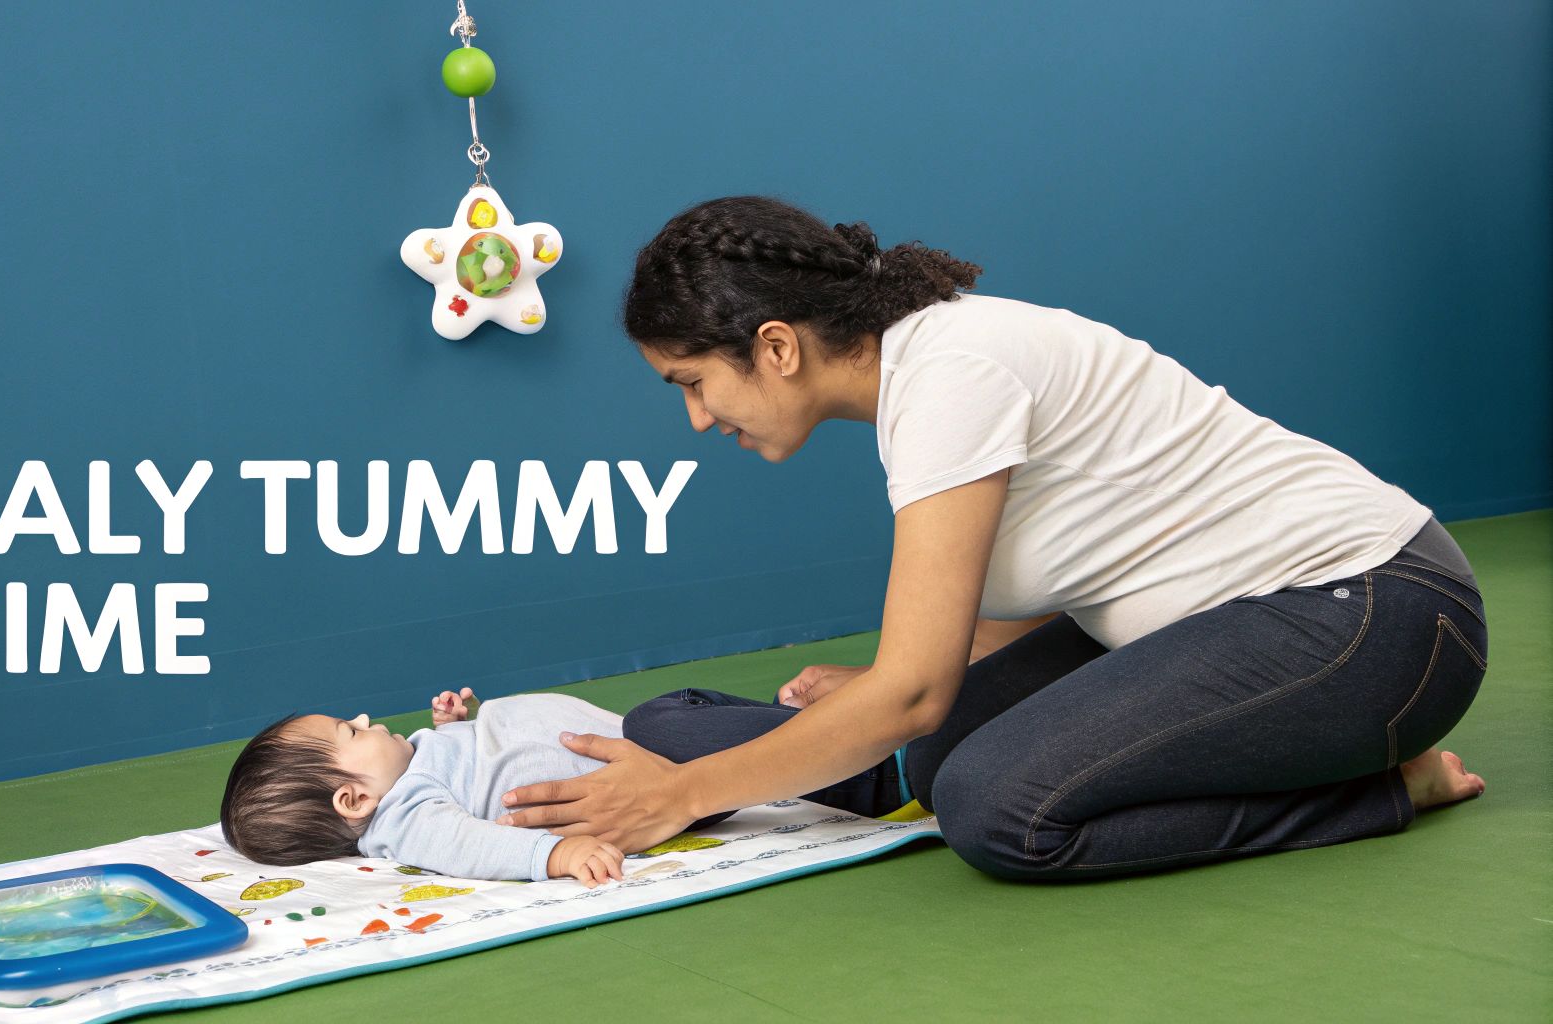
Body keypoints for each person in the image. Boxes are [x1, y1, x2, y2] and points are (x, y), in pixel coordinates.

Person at [494, 194, 1490, 880]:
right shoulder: (925, 368)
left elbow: (916, 688)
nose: (699, 419)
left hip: (1376, 616)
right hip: (1239, 619)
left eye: (691, 385)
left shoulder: (948, 375)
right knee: (924, 756)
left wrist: (686, 793)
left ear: (777, 347)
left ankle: (1378, 793)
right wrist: (892, 684)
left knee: (993, 808)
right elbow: (1064, 582)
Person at [219, 688, 628, 887]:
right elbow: (467, 844)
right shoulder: (406, 819)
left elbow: (461, 778)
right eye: (353, 732)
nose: (364, 718)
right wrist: (555, 853)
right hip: (628, 763)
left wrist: (453, 732)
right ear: (357, 799)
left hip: (619, 736)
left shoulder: (408, 778)